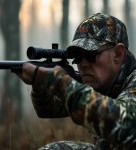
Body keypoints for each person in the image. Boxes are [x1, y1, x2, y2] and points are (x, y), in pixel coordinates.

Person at [17, 13, 136, 149]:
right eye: (78, 56)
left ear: (118, 54)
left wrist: (61, 83)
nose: (83, 64)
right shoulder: (102, 82)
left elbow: (127, 126)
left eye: (91, 55)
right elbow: (49, 110)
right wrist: (40, 83)